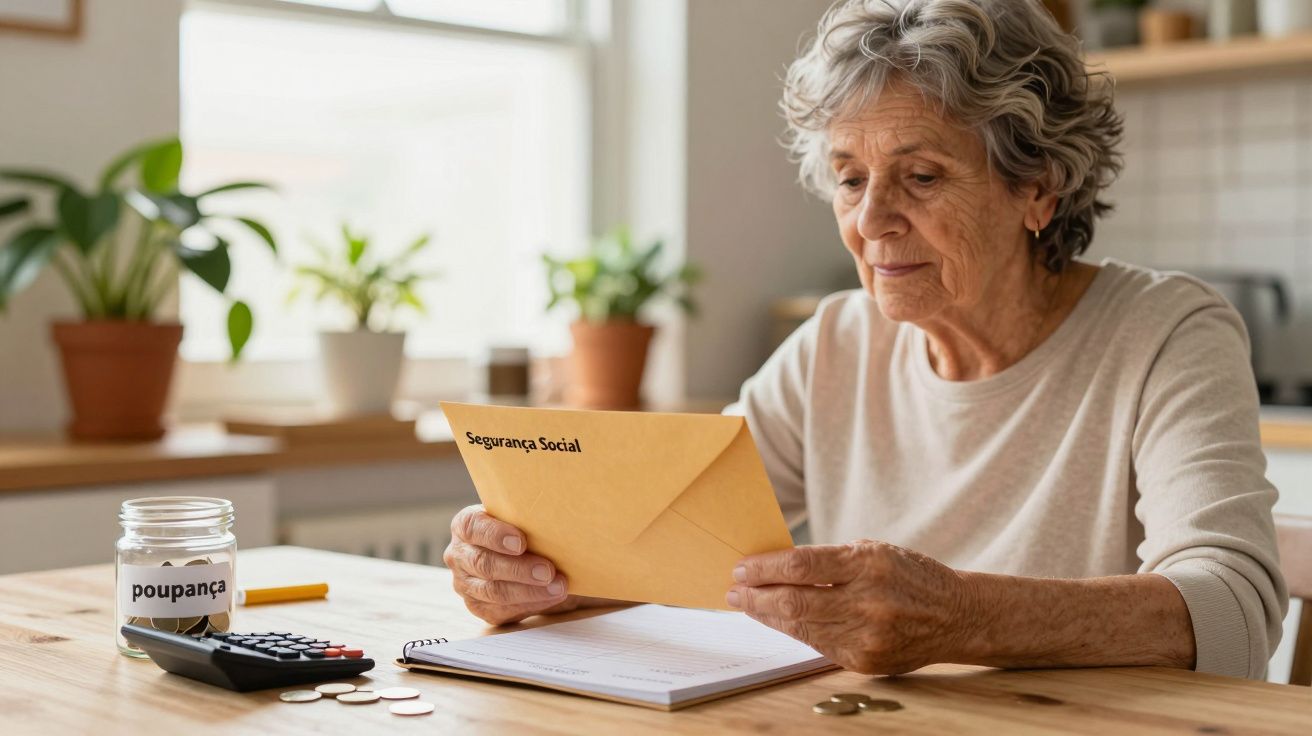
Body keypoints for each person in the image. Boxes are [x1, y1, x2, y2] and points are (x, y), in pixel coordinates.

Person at [443, 0, 1287, 680]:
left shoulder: (1169, 332)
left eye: (920, 177)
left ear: (1039, 186)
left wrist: (964, 616)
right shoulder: (835, 342)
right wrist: (530, 579)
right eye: (850, 179)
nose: (872, 222)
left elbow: (1233, 611)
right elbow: (673, 542)